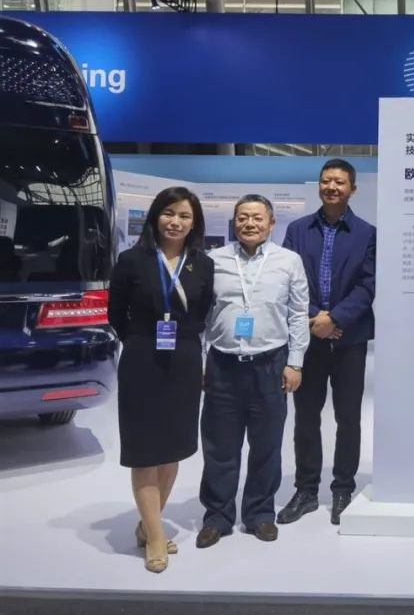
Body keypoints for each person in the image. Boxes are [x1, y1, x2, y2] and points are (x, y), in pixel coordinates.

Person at [107, 186, 214, 573]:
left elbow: (201, 313)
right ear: (155, 216)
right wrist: (140, 342)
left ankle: (146, 524)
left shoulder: (202, 264)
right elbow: (115, 314)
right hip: (142, 360)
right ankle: (155, 536)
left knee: (172, 448)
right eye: (169, 213)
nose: (176, 222)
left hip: (184, 360)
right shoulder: (131, 260)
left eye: (185, 216)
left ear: (194, 223)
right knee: (145, 450)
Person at [196, 195, 310, 549]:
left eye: (258, 218)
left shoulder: (288, 261)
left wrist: (295, 362)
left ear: (271, 223)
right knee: (219, 446)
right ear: (234, 222)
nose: (250, 223)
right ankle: (217, 516)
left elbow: (298, 314)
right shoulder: (213, 260)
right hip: (222, 364)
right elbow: (202, 314)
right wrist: (201, 360)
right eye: (243, 217)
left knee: (267, 445)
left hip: (270, 364)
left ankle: (260, 513)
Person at [278, 159, 376, 527]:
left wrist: (334, 319)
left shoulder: (368, 233)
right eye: (326, 180)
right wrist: (315, 319)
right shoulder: (298, 230)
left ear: (353, 189)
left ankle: (342, 489)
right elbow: (287, 280)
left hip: (349, 339)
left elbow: (368, 285)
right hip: (307, 338)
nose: (331, 187)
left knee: (348, 417)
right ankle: (306, 489)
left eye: (340, 181)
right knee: (305, 416)